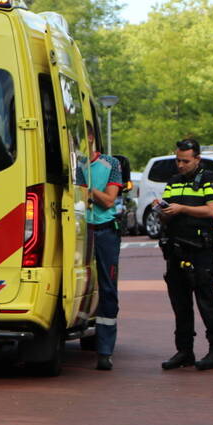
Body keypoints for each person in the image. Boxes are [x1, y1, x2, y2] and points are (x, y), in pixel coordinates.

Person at [156, 139, 213, 371]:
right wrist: (163, 211)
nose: (180, 165)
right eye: (178, 160)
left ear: (197, 159)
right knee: (180, 303)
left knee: (206, 301)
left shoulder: (208, 179)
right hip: (176, 249)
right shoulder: (174, 181)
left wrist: (182, 208)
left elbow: (212, 210)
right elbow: (167, 214)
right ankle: (184, 351)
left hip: (200, 250)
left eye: (185, 161)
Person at [86, 122, 123, 371]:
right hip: (77, 229)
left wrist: (87, 190)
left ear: (90, 137)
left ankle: (105, 350)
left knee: (107, 289)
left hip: (104, 231)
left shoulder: (111, 164)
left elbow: (109, 201)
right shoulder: (71, 164)